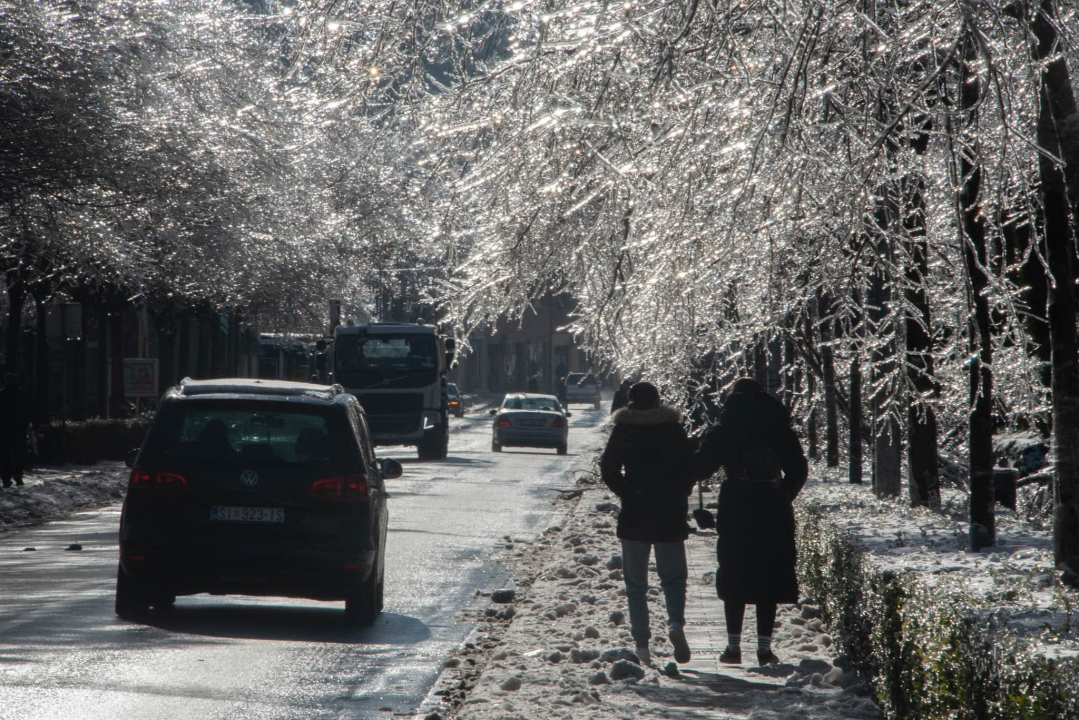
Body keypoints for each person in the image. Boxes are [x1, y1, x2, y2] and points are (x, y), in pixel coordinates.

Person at [693, 377, 808, 666]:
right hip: (773, 510)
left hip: (737, 508)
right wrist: (782, 495)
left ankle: (733, 648)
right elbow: (799, 470)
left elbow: (701, 468)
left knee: (735, 572)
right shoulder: (779, 427)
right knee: (768, 575)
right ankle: (764, 649)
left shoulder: (727, 427)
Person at [600, 381, 696, 666]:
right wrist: (679, 493)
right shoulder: (672, 428)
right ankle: (675, 623)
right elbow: (689, 467)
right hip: (669, 513)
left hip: (635, 514)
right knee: (674, 579)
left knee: (636, 585)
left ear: (631, 402)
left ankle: (642, 646)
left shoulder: (624, 429)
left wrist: (627, 492)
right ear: (657, 401)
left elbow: (608, 468)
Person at [0, 372, 39, 489]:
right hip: (20, 430)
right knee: (19, 454)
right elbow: (33, 411)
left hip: (4, 430)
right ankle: (18, 476)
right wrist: (35, 426)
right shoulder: (23, 395)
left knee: (5, 455)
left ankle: (6, 478)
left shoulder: (2, 394)